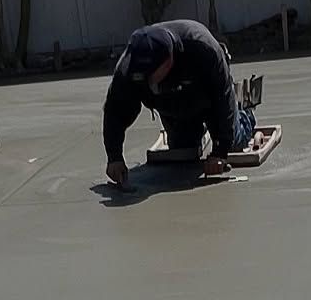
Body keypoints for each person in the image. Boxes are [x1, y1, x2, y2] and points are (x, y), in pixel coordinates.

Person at [102, 19, 256, 191]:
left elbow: (221, 96)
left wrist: (220, 151)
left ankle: (244, 114)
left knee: (235, 141)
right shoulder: (129, 68)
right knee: (183, 151)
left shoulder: (202, 49)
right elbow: (115, 111)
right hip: (172, 107)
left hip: (208, 98)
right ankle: (195, 128)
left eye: (151, 72)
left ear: (168, 60)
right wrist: (114, 157)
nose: (146, 78)